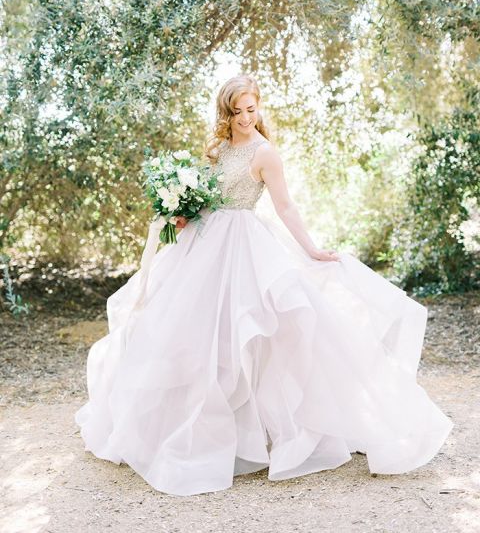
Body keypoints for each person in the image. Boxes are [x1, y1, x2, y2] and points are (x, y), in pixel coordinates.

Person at [75, 74, 453, 497]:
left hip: (245, 248)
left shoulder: (265, 153)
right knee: (189, 331)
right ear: (226, 113)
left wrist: (312, 250)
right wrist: (182, 214)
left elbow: (285, 206)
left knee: (255, 332)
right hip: (202, 245)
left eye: (251, 109)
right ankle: (197, 426)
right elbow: (203, 200)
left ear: (258, 107)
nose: (245, 118)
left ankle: (261, 432)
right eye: (237, 112)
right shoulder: (216, 150)